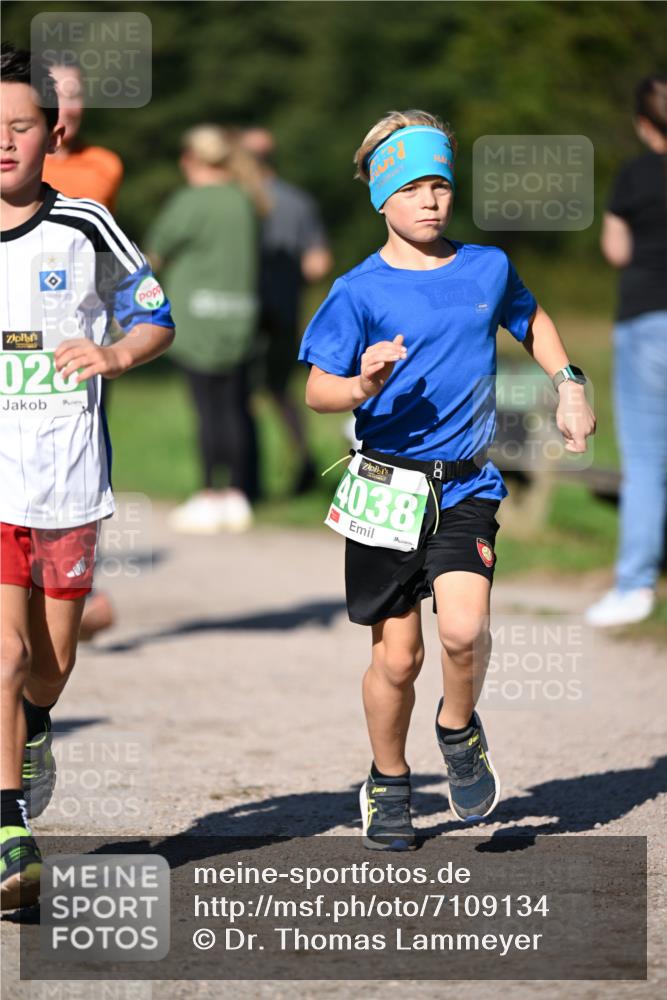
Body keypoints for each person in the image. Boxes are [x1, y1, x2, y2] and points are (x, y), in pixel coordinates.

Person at [299, 110, 596, 850]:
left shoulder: (486, 268)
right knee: (397, 659)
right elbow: (317, 390)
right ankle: (388, 780)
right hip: (384, 489)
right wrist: (360, 385)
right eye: (411, 188)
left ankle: (458, 730)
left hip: (465, 485)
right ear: (382, 199)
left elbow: (532, 321)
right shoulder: (357, 291)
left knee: (463, 632)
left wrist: (568, 384)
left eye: (439, 185)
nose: (429, 200)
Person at [0, 43, 175, 909]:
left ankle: (35, 723)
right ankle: (8, 833)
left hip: (66, 479)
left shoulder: (85, 224)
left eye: (21, 125)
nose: (5, 141)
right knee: (3, 653)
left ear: (54, 133)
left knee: (50, 662)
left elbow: (155, 316)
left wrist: (115, 354)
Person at [147, 125, 266, 533]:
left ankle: (208, 494)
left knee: (207, 411)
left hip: (197, 320)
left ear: (190, 159)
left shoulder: (190, 201)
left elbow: (156, 250)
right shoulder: (246, 200)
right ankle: (236, 496)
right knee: (234, 408)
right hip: (241, 318)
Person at [43, 59, 125, 641]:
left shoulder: (102, 168)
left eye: (76, 95)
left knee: (78, 457)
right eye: (57, 95)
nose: (70, 105)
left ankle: (75, 585)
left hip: (79, 334)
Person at [585, 76, 667, 628]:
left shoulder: (635, 175)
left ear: (643, 124)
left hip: (647, 322)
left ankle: (635, 586)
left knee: (645, 464)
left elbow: (616, 250)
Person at [241, 127, 333, 494]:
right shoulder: (298, 201)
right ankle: (303, 459)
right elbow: (318, 264)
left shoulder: (236, 199)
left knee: (240, 393)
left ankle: (247, 475)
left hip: (241, 312)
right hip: (285, 309)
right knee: (280, 391)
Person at [41, 61, 123, 212]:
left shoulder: (106, 164)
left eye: (73, 96)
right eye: (55, 97)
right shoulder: (12, 163)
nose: (66, 109)